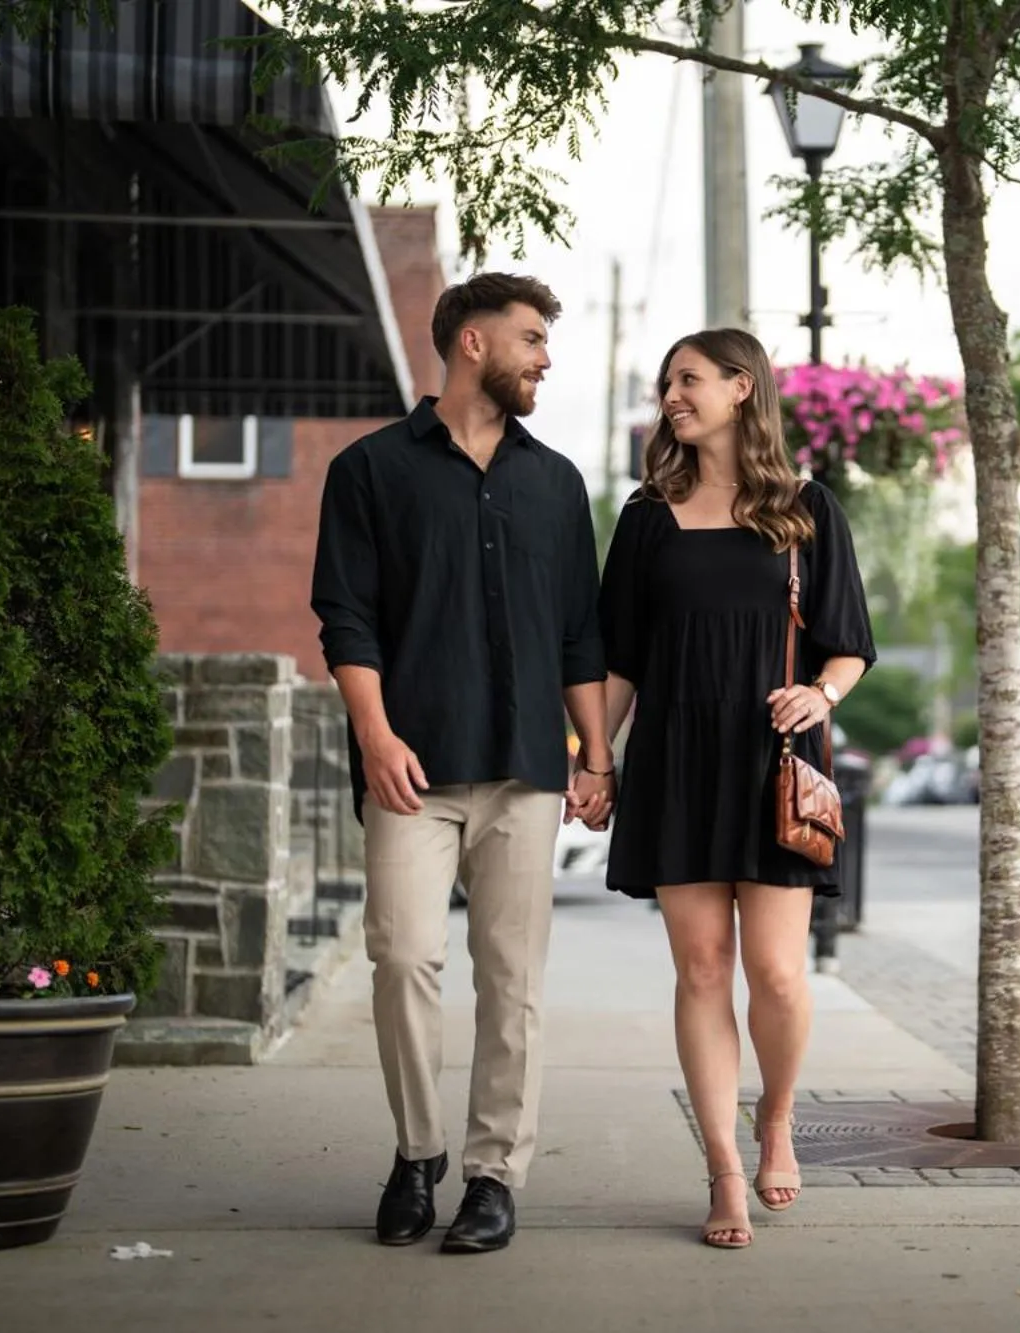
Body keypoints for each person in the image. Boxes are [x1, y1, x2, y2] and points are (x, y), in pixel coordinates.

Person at [311, 272, 615, 1255]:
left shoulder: (557, 483)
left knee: (511, 978)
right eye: (531, 337)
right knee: (401, 955)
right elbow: (344, 616)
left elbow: (579, 635)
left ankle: (492, 1174)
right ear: (472, 342)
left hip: (527, 771)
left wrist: (596, 756)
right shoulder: (368, 471)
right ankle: (417, 1152)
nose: (544, 357)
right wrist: (375, 733)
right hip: (412, 770)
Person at [597, 328, 875, 1250]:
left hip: (772, 760)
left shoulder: (805, 507)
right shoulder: (646, 516)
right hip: (675, 758)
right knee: (703, 969)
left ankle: (779, 1116)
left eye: (687, 379)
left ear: (739, 387)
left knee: (780, 976)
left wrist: (821, 692)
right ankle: (722, 1168)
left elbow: (847, 640)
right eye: (666, 382)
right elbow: (621, 658)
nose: (671, 395)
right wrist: (595, 758)